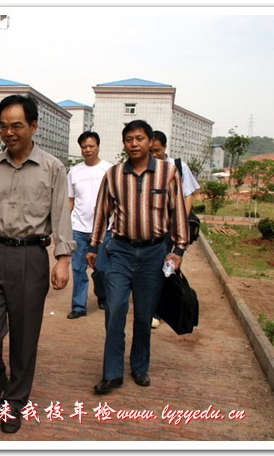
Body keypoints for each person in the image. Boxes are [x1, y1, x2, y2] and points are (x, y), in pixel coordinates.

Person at [0, 94, 75, 434]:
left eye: (16, 126)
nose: (8, 132)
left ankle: (14, 400)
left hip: (30, 257)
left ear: (33, 126)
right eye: (3, 126)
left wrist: (63, 259)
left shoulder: (52, 168)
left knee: (24, 338)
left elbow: (61, 216)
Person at [86, 119, 188, 395]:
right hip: (120, 251)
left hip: (154, 254)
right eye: (129, 139)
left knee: (144, 315)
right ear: (124, 143)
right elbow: (101, 212)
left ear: (150, 141)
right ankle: (112, 374)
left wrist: (178, 250)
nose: (134, 144)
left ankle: (140, 367)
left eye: (139, 138)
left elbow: (178, 212)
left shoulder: (168, 173)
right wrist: (93, 246)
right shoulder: (114, 175)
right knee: (115, 310)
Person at [150, 130, 200, 329]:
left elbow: (188, 196)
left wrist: (180, 222)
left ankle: (161, 309)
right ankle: (154, 306)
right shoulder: (146, 167)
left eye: (157, 150)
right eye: (151, 151)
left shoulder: (178, 167)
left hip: (172, 228)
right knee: (153, 266)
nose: (154, 155)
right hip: (153, 227)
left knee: (167, 266)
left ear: (165, 147)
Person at [67, 131, 113, 319]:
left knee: (101, 268)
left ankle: (103, 295)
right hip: (78, 228)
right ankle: (79, 306)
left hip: (103, 230)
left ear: (98, 147)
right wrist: (65, 223)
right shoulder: (74, 171)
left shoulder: (109, 170)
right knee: (78, 268)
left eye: (91, 146)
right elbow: (70, 199)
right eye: (84, 147)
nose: (88, 150)